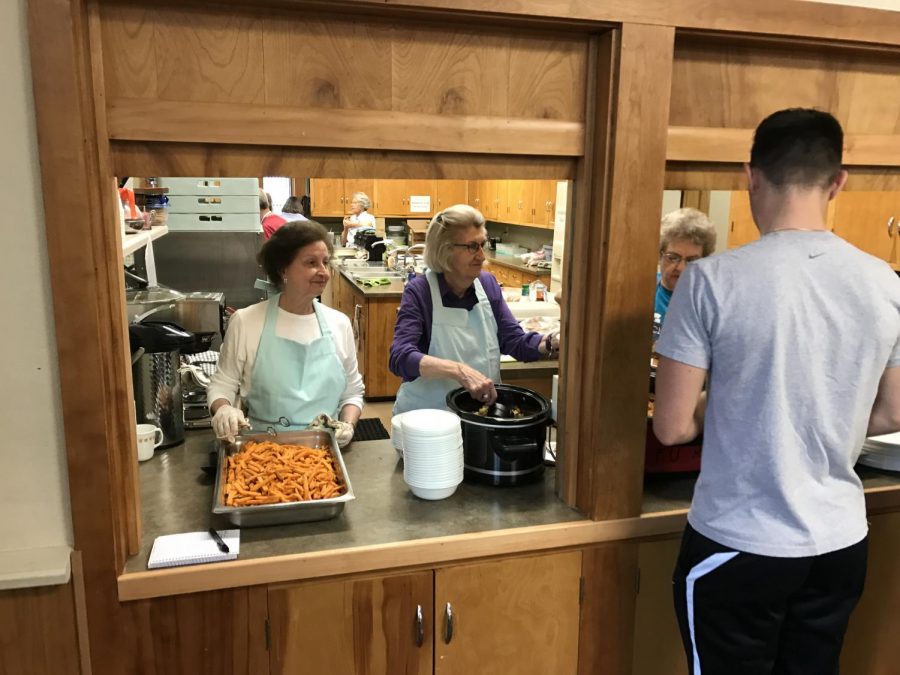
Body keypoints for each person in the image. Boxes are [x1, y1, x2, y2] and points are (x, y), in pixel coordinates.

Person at [653, 108, 900, 674]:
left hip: (740, 544)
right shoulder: (885, 282)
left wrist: (739, 401)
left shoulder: (711, 281)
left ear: (751, 177)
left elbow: (670, 426)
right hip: (840, 543)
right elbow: (891, 411)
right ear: (838, 182)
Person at [390, 204, 560, 414]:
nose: (481, 256)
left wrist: (550, 342)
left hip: (479, 416)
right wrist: (458, 370)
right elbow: (400, 357)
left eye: (482, 244)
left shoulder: (487, 285)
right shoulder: (421, 291)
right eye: (472, 247)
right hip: (428, 419)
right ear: (444, 250)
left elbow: (513, 341)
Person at [208, 221, 364, 446]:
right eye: (311, 263)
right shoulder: (247, 321)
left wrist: (348, 425)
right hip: (262, 453)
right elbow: (222, 384)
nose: (323, 272)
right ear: (283, 269)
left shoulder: (339, 324)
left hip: (324, 456)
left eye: (325, 262)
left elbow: (352, 393)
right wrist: (223, 409)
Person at [655, 208, 717, 325]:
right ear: (660, 255)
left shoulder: (712, 304)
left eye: (692, 260)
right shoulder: (641, 293)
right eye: (673, 257)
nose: (681, 268)